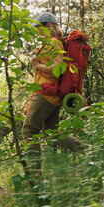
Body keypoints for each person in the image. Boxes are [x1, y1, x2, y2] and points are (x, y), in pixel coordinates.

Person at [23, 12, 80, 174]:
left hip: (47, 95)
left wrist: (37, 65)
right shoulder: (49, 44)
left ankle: (35, 176)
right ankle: (87, 151)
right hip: (48, 94)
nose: (36, 31)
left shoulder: (54, 44)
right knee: (52, 134)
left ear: (48, 26)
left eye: (38, 27)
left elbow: (56, 71)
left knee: (29, 130)